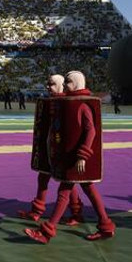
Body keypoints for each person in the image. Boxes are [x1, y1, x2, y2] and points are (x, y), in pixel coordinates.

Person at [25, 71, 115, 244]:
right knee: (88, 189)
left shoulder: (81, 104)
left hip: (77, 159)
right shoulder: (70, 103)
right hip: (73, 158)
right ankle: (106, 225)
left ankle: (48, 231)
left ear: (77, 83)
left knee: (64, 192)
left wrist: (83, 155)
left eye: (68, 81)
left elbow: (91, 131)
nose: (66, 85)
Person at [18, 75, 83, 224]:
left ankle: (76, 212)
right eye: (47, 84)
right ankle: (37, 210)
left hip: (60, 149)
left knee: (68, 182)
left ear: (61, 85)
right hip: (48, 148)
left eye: (51, 84)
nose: (48, 86)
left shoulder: (67, 103)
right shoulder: (49, 102)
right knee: (43, 178)